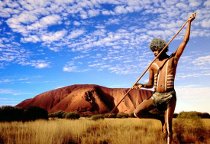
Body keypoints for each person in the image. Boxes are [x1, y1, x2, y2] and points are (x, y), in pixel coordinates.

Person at [132, 13, 196, 144]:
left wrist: (189, 23)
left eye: (156, 49)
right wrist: (141, 85)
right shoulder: (153, 65)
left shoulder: (173, 59)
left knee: (168, 128)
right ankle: (160, 119)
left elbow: (185, 41)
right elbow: (150, 84)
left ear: (163, 48)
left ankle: (167, 131)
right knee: (137, 112)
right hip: (156, 96)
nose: (155, 52)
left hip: (169, 96)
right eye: (153, 51)